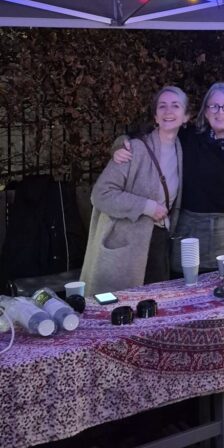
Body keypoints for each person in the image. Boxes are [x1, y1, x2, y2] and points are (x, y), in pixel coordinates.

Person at [113, 82, 224, 269]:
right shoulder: (188, 138)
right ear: (206, 112)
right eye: (213, 106)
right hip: (189, 241)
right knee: (186, 287)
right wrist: (122, 145)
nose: (220, 112)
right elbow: (146, 139)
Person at [81, 86, 189, 296]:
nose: (168, 111)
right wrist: (147, 207)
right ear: (155, 116)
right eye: (162, 106)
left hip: (158, 243)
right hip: (124, 249)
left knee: (155, 307)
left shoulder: (182, 148)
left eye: (176, 106)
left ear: (186, 116)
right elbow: (100, 194)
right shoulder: (134, 149)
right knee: (119, 309)